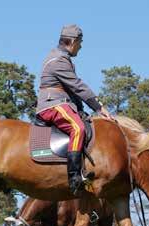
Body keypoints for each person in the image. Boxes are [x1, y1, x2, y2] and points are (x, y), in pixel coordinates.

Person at [36, 24, 112, 195]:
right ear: (72, 41)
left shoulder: (61, 58)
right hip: (53, 103)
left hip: (61, 101)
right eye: (80, 42)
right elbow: (78, 87)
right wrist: (99, 107)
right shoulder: (59, 61)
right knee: (78, 128)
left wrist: (82, 109)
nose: (81, 46)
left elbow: (71, 90)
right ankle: (74, 177)